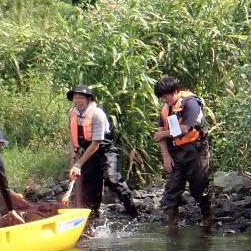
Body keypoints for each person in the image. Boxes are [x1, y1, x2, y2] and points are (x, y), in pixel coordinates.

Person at [67, 84, 138, 220]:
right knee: (88, 187)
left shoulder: (97, 114)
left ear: (89, 99)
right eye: (75, 97)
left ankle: (133, 212)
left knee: (112, 178)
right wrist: (74, 155)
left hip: (105, 150)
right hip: (88, 151)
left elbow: (96, 143)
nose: (78, 100)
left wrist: (79, 164)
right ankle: (92, 220)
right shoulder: (73, 113)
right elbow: (73, 135)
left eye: (81, 97)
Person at [154, 76, 213, 228]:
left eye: (166, 96)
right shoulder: (165, 109)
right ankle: (172, 227)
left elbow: (185, 128)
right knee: (171, 191)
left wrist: (163, 134)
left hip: (196, 150)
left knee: (198, 188)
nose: (164, 100)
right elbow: (159, 134)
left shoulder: (191, 103)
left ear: (175, 91)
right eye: (161, 97)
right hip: (176, 152)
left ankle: (207, 217)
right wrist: (166, 156)